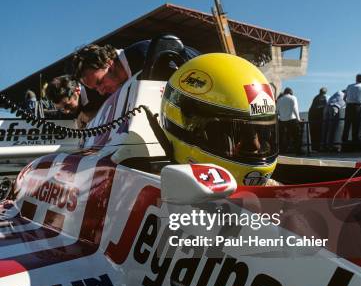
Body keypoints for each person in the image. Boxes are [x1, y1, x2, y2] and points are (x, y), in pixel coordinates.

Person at [161, 53, 278, 186]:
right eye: (240, 135)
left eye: (257, 133)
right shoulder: (146, 189)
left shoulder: (275, 189)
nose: (257, 147)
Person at [72, 36, 198, 96]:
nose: (101, 91)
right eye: (95, 88)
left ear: (109, 64)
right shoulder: (121, 86)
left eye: (99, 82)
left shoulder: (144, 54)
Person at [341, 74, 361, 151]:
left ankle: (343, 143)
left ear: (356, 79)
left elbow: (344, 98)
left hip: (348, 106)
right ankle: (355, 144)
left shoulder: (349, 86)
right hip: (357, 106)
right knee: (356, 125)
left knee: (347, 125)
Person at [276, 87, 302, 154]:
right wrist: (298, 119)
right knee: (296, 136)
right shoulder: (293, 98)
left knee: (284, 137)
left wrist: (282, 115)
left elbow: (277, 112)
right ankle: (298, 151)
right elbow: (295, 109)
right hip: (292, 119)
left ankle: (283, 151)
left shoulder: (279, 100)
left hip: (282, 121)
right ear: (291, 92)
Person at [308, 87, 327, 151]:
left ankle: (314, 147)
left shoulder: (316, 97)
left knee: (313, 133)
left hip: (312, 116)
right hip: (317, 117)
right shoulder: (323, 97)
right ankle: (318, 147)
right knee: (318, 133)